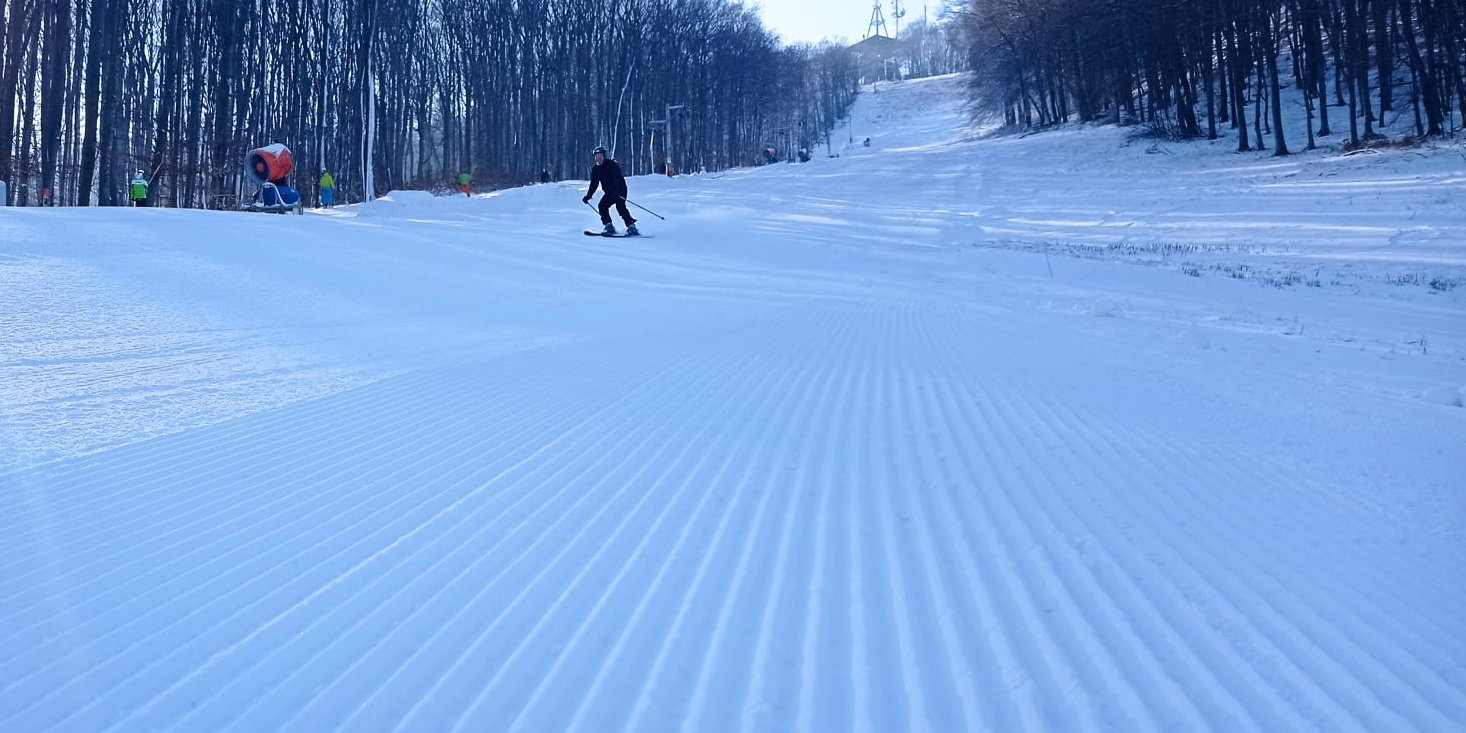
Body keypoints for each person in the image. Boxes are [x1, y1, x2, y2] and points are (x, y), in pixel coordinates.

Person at [581, 146, 637, 236]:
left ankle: (631, 227)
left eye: (600, 156)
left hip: (620, 190)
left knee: (620, 207)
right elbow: (594, 184)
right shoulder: (596, 169)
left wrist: (616, 191)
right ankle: (609, 226)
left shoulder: (612, 165)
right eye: (596, 156)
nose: (598, 158)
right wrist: (588, 196)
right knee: (602, 206)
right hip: (609, 192)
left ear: (604, 156)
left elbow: (617, 179)